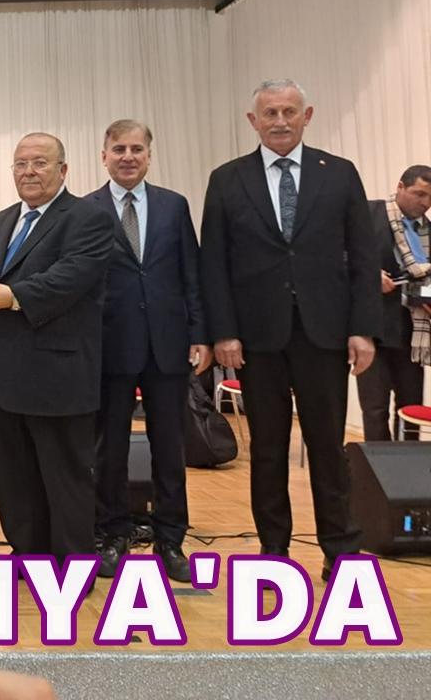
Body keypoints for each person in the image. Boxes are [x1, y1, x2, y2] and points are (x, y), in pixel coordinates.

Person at [200, 79, 380, 582]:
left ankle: (340, 549)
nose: (280, 121)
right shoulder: (227, 179)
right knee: (267, 449)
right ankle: (274, 551)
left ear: (308, 115)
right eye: (270, 113)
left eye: (289, 111)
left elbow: (363, 256)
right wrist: (223, 332)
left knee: (328, 446)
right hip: (256, 339)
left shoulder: (339, 173)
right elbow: (214, 263)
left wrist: (363, 328)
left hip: (324, 334)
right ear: (253, 121)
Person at [0, 132, 114, 563]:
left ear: (63, 170)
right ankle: (28, 556)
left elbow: (71, 277)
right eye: (21, 164)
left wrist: (14, 296)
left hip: (57, 378)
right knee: (15, 478)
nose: (29, 172)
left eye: (40, 163)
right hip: (2, 378)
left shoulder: (88, 218)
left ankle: (74, 565)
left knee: (65, 478)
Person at [85, 119, 210, 582]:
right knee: (109, 449)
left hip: (167, 345)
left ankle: (171, 539)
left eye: (136, 149)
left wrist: (200, 334)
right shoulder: (86, 209)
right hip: (109, 347)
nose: (128, 157)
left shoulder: (173, 205)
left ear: (149, 156)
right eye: (119, 149)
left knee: (170, 448)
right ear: (104, 156)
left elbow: (191, 273)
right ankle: (112, 535)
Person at [356, 165, 431, 441]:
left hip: (413, 332)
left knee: (410, 407)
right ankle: (376, 466)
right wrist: (369, 275)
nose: (425, 203)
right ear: (400, 187)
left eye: (430, 198)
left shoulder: (428, 231)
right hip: (372, 329)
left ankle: (408, 466)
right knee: (375, 409)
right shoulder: (368, 213)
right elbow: (335, 256)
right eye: (419, 194)